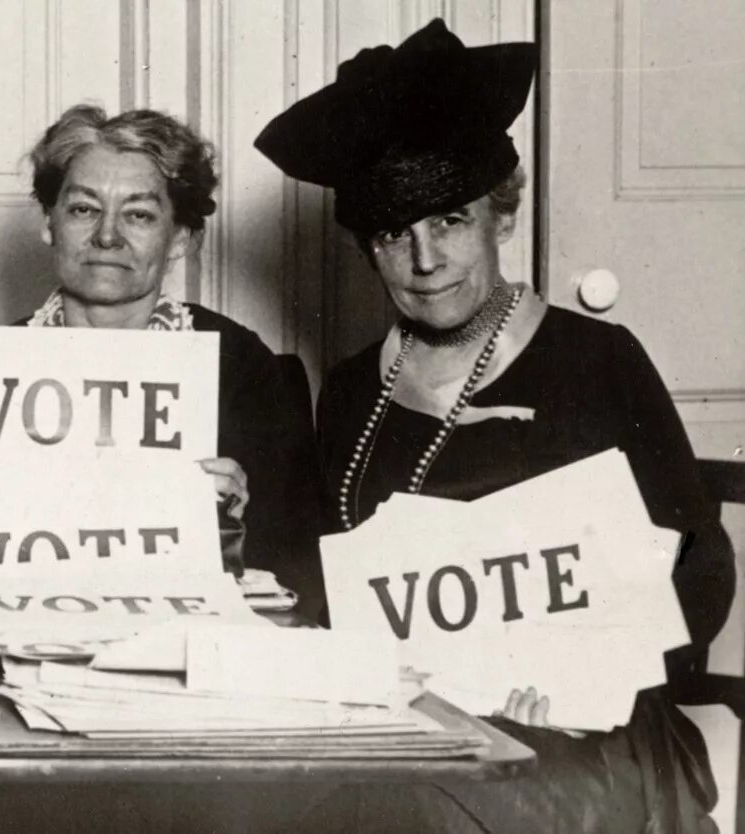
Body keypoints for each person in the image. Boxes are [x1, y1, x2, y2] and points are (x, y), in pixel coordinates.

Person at [258, 20, 735, 831]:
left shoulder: (595, 359)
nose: (425, 260)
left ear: (499, 218)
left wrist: (596, 674)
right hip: (407, 723)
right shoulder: (347, 391)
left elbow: (698, 558)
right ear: (369, 250)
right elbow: (318, 577)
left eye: (448, 222)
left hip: (585, 729)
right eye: (391, 236)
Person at [12, 105, 322, 601]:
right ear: (49, 223)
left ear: (179, 238)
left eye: (138, 214)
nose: (107, 235)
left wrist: (239, 525)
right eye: (83, 209)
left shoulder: (242, 367)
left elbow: (300, 565)